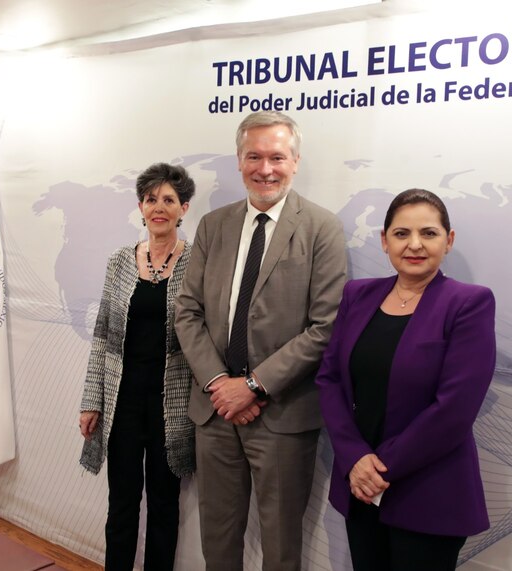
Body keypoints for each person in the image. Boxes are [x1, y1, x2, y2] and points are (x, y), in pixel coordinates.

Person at [175, 111, 347, 571]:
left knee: (281, 543)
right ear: (239, 160)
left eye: (276, 157)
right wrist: (219, 383)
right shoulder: (213, 226)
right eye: (254, 156)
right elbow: (187, 312)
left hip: (282, 413)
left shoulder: (321, 228)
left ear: (295, 161)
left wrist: (250, 387)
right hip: (215, 412)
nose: (265, 168)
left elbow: (326, 326)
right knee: (218, 536)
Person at [315, 188, 496, 571]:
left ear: (448, 240)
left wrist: (378, 468)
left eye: (428, 233)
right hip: (360, 489)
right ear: (384, 241)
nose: (414, 244)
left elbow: (454, 411)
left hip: (428, 491)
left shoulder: (468, 303)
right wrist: (354, 458)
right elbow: (329, 379)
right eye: (401, 234)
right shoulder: (357, 294)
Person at [78, 162, 196, 571]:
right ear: (141, 207)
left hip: (172, 406)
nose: (158, 208)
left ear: (184, 208)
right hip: (123, 402)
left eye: (168, 200)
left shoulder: (198, 262)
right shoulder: (120, 262)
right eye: (150, 199)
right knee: (122, 502)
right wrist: (92, 400)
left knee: (165, 505)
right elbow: (101, 336)